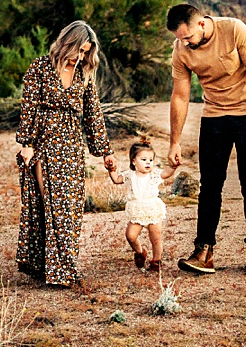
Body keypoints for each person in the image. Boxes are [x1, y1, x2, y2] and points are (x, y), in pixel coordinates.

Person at [166, 3, 246, 276]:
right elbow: (180, 95)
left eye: (188, 37)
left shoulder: (234, 30)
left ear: (201, 23)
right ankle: (204, 251)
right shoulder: (181, 49)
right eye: (179, 38)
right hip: (214, 116)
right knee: (210, 185)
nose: (185, 43)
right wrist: (174, 142)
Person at [16, 20, 117, 287]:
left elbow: (93, 113)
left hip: (71, 147)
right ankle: (52, 268)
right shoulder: (40, 67)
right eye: (79, 50)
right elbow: (29, 104)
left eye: (86, 52)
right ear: (67, 42)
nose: (81, 57)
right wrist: (27, 143)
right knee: (49, 206)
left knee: (69, 208)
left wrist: (104, 151)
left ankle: (62, 267)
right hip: (44, 144)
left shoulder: (84, 73)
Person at [108, 139, 177, 272]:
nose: (148, 163)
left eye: (150, 160)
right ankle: (140, 252)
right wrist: (112, 170)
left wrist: (173, 166)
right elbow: (116, 179)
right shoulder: (130, 175)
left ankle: (156, 260)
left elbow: (166, 173)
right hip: (137, 210)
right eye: (144, 159)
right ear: (134, 161)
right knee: (130, 235)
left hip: (152, 208)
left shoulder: (154, 174)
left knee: (155, 237)